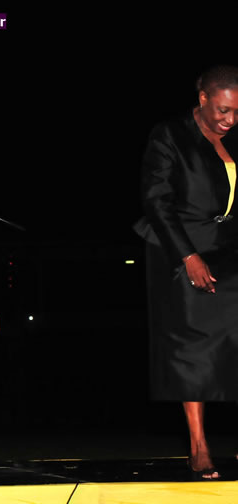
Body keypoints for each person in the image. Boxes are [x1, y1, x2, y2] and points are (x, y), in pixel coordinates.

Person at [133, 64, 237, 480]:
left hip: (228, 252)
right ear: (203, 99)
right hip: (182, 252)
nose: (231, 120)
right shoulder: (169, 135)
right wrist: (188, 257)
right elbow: (157, 201)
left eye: (237, 113)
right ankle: (199, 447)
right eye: (224, 111)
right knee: (193, 352)